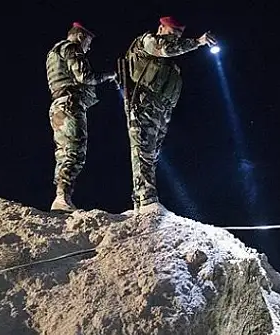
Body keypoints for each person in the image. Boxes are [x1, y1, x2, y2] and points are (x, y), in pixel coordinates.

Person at [123, 16, 216, 214]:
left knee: (153, 154)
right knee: (143, 150)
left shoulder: (167, 61)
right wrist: (197, 42)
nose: (176, 38)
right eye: (172, 33)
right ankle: (146, 198)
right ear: (161, 28)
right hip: (145, 104)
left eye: (179, 35)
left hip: (161, 109)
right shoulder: (147, 41)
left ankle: (142, 200)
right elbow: (164, 49)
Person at [46, 22, 117, 212]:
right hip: (70, 105)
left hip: (58, 106)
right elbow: (84, 77)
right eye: (88, 42)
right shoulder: (72, 48)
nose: (88, 48)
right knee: (75, 151)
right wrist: (109, 76)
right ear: (80, 36)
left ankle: (61, 197)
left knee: (63, 152)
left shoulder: (54, 52)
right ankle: (62, 197)